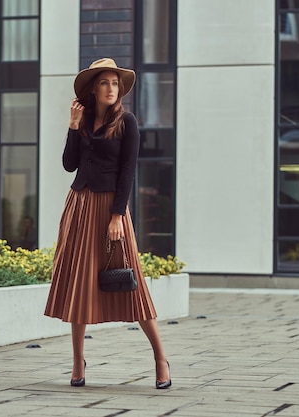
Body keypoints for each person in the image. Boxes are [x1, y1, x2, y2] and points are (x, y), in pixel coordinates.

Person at [44, 58, 171, 389]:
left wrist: (117, 215)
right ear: (93, 89)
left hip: (110, 209)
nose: (111, 88)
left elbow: (128, 171)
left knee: (135, 286)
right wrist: (72, 126)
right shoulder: (83, 120)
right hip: (79, 206)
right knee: (77, 283)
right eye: (105, 83)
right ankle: (77, 363)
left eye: (115, 83)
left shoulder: (127, 122)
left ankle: (160, 358)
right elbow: (69, 164)